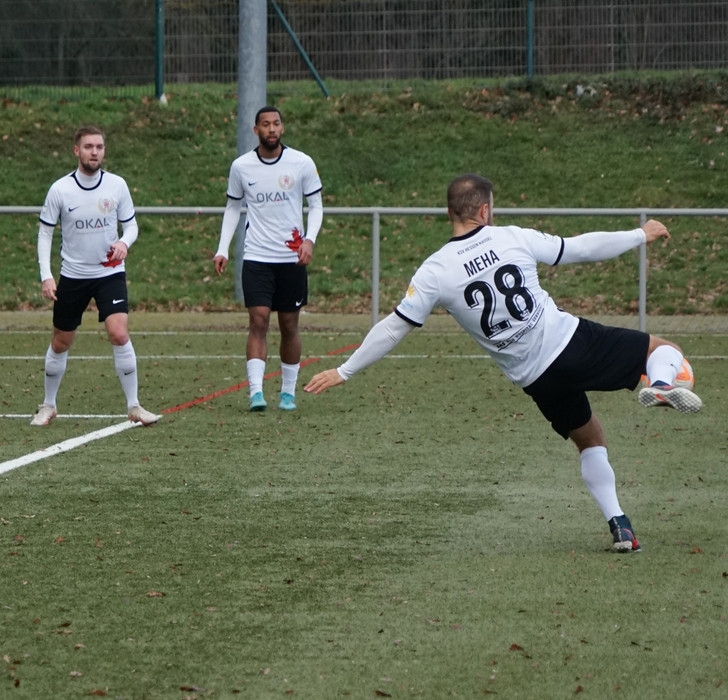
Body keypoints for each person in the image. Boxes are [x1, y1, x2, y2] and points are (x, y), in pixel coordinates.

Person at [305, 173, 702, 553]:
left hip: (536, 379)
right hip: (570, 343)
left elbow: (393, 327)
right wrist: (640, 234)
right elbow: (580, 248)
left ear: (450, 212)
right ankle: (661, 384)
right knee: (661, 349)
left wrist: (344, 370)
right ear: (484, 211)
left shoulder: (435, 270)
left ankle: (620, 525)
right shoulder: (511, 237)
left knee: (590, 440)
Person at [30, 125, 161, 428]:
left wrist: (124, 243)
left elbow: (131, 226)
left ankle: (134, 406)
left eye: (99, 147)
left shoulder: (117, 185)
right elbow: (45, 234)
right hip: (73, 276)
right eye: (89, 147)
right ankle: (48, 405)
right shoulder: (60, 189)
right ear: (76, 150)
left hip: (109, 273)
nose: (95, 152)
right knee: (61, 341)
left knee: (119, 333)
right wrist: (46, 276)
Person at [213, 106, 323, 412]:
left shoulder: (301, 162)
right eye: (265, 124)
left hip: (291, 259)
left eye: (276, 124)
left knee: (289, 325)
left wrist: (310, 240)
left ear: (282, 128)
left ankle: (288, 393)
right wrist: (222, 248)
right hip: (257, 256)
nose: (271, 129)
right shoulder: (241, 166)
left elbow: (316, 205)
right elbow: (233, 208)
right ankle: (256, 393)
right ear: (256, 130)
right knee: (258, 320)